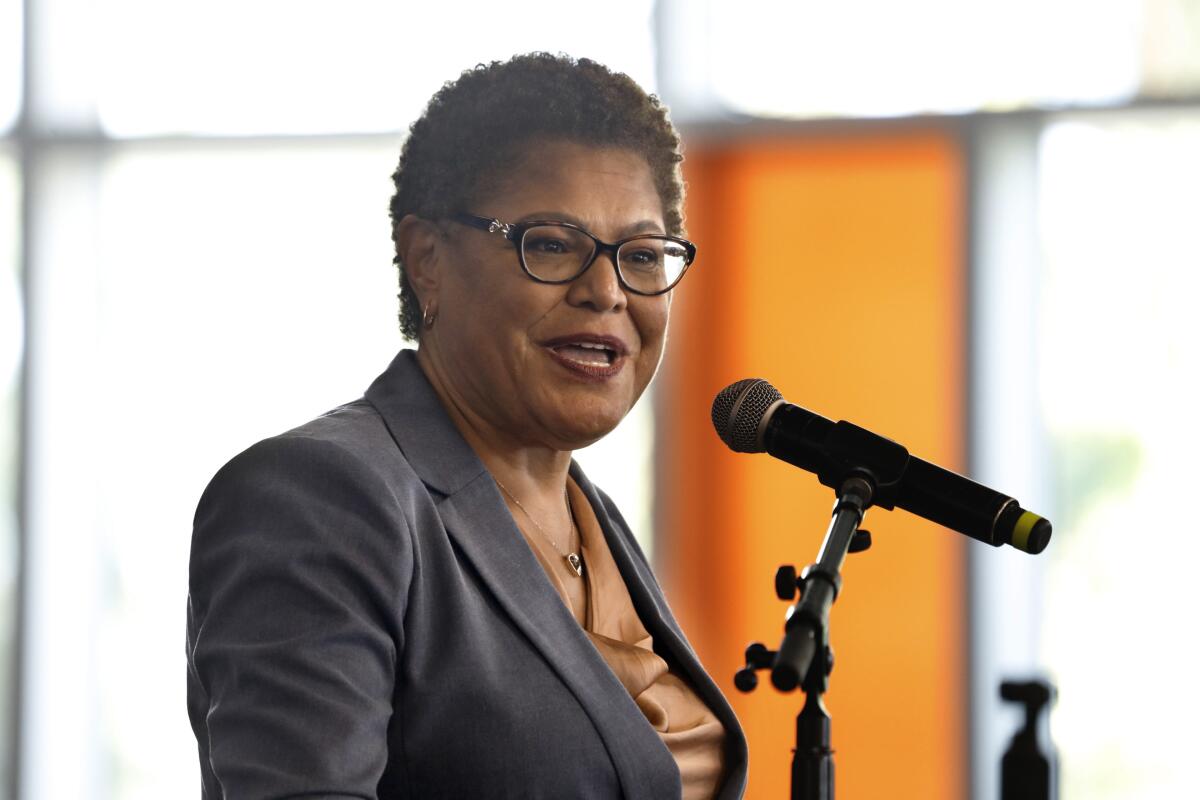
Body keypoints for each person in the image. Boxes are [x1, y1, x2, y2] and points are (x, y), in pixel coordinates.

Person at [186, 52, 748, 799]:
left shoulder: (591, 518)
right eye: (551, 243)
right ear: (427, 261)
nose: (606, 290)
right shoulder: (322, 495)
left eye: (642, 255)